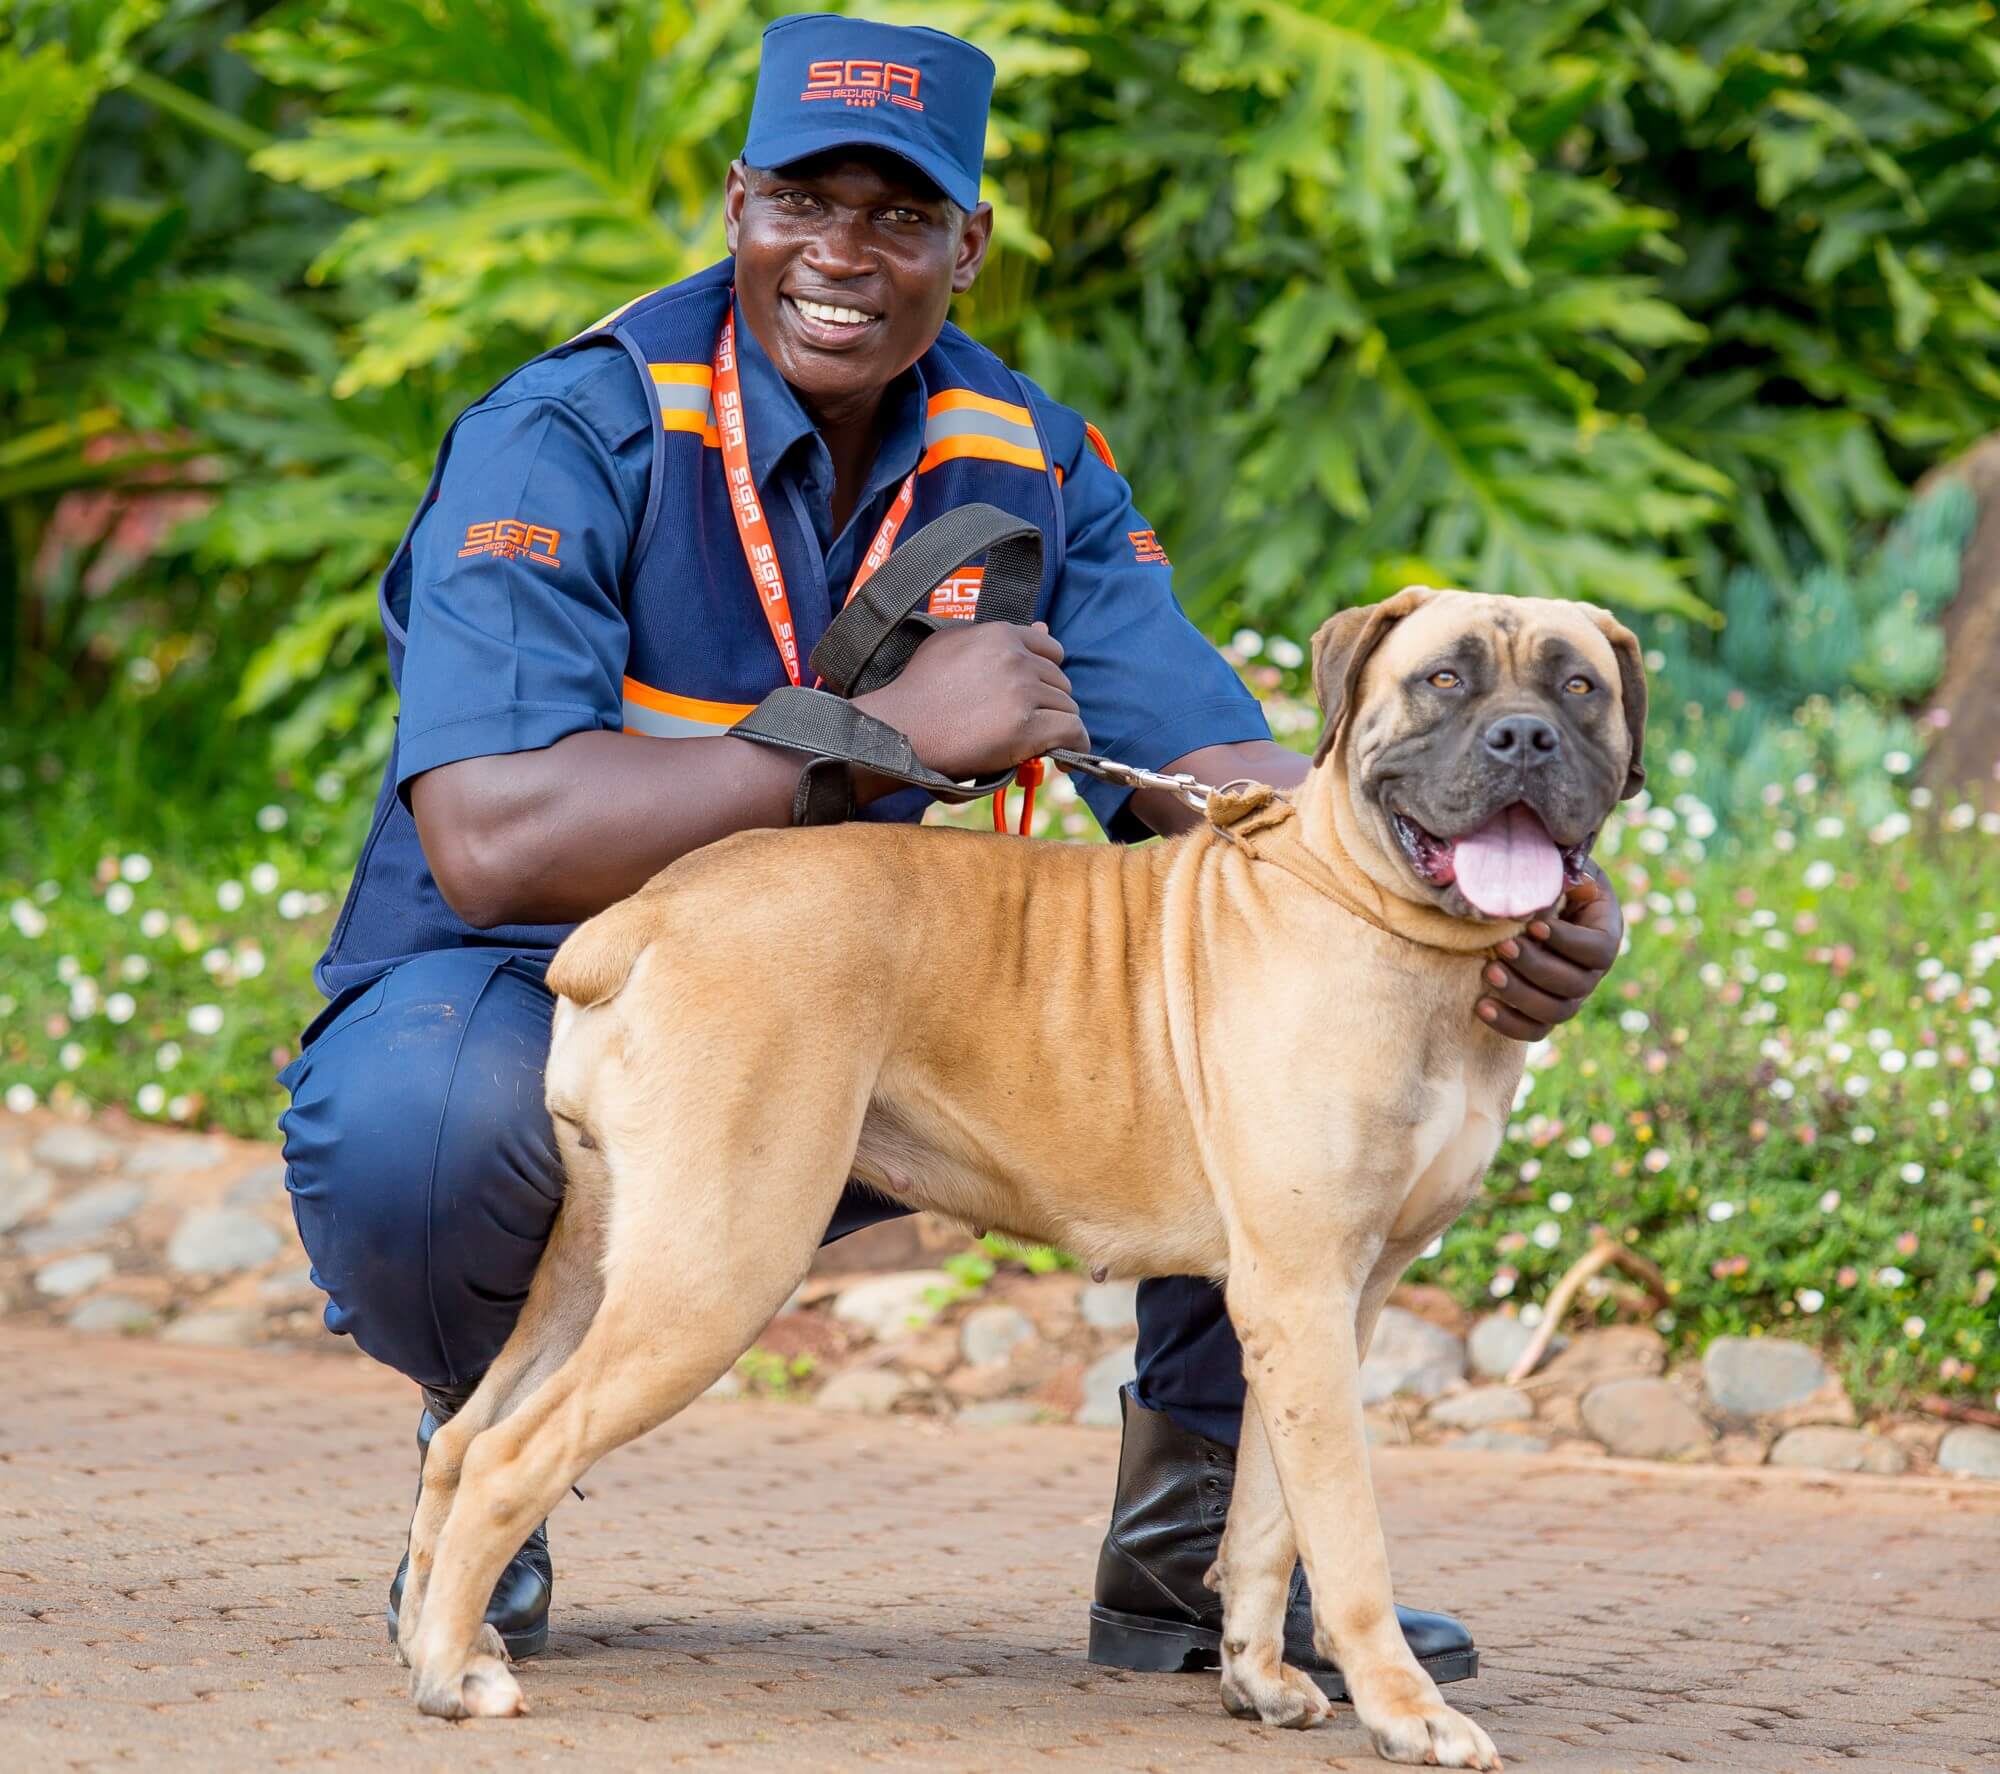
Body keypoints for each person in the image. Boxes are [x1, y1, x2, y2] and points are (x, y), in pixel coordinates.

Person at [278, 12, 1622, 1684]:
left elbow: (1229, 782)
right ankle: (493, 1478)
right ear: (734, 203)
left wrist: (1471, 866)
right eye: (805, 201)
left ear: (965, 246)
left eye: (901, 216)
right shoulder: (574, 431)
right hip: (522, 974)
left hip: (881, 988)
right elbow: (492, 833)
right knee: (425, 1141)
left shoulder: (1024, 452)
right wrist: (886, 737)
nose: (844, 254)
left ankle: (1197, 1554)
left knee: (1264, 996)